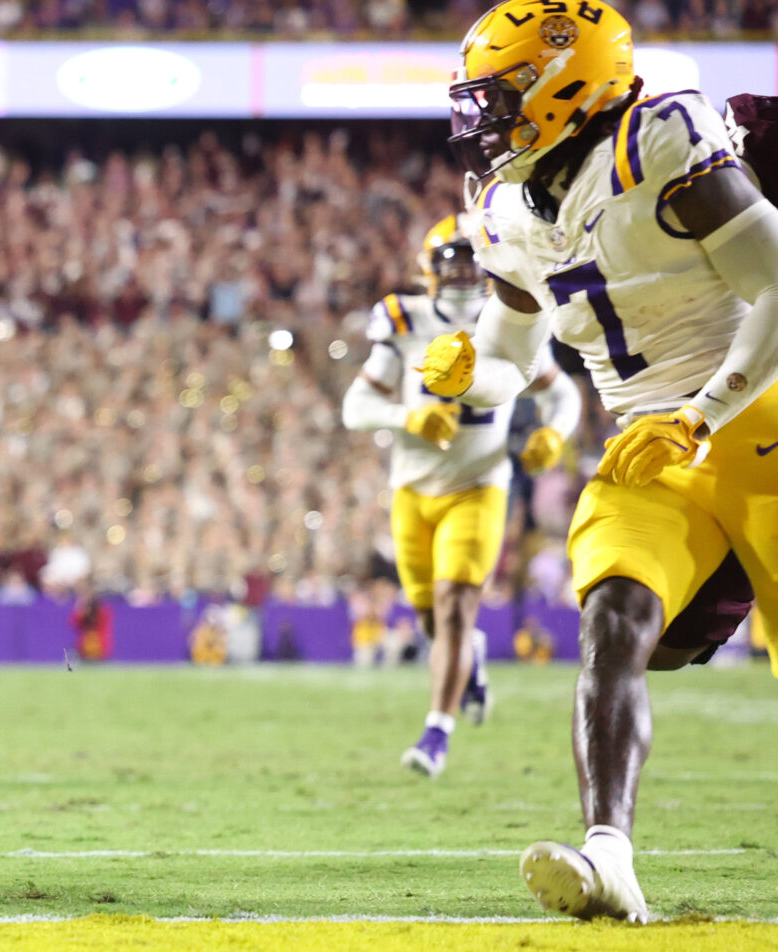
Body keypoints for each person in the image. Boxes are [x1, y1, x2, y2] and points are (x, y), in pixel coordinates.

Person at [425, 0, 778, 920]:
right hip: (650, 440)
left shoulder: (659, 136)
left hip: (757, 410)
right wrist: (472, 374)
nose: (482, 119)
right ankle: (610, 857)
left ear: (565, 82)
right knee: (615, 616)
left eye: (501, 96)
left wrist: (702, 415)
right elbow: (511, 358)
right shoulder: (505, 209)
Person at [342, 214, 581, 778]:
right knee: (432, 616)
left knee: (453, 602)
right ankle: (468, 662)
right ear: (430, 267)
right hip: (412, 488)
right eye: (452, 259)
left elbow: (562, 394)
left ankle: (436, 733)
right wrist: (409, 418)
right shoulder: (406, 320)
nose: (464, 270)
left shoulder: (508, 319)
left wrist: (553, 434)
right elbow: (356, 408)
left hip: (480, 483)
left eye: (472, 258)